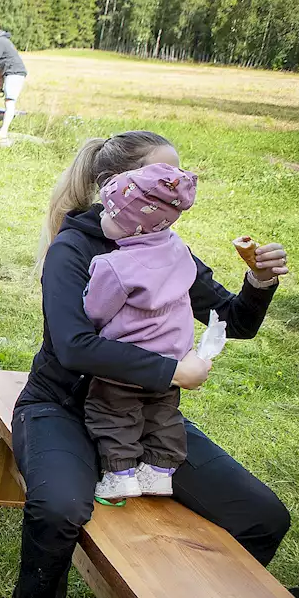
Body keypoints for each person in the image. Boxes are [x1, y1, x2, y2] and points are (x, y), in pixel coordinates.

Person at [0, 131, 290, 598]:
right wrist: (173, 369)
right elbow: (74, 346)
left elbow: (232, 320)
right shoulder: (75, 246)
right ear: (116, 186)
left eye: (179, 182)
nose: (175, 191)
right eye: (162, 179)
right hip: (61, 408)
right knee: (60, 506)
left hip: (143, 418)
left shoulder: (167, 249)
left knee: (261, 516)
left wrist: (257, 283)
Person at [84, 164, 199, 501]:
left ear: (133, 227)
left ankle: (120, 475)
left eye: (109, 213)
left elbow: (95, 311)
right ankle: (160, 471)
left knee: (112, 414)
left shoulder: (113, 265)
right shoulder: (178, 248)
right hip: (171, 360)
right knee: (162, 415)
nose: (102, 216)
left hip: (129, 361)